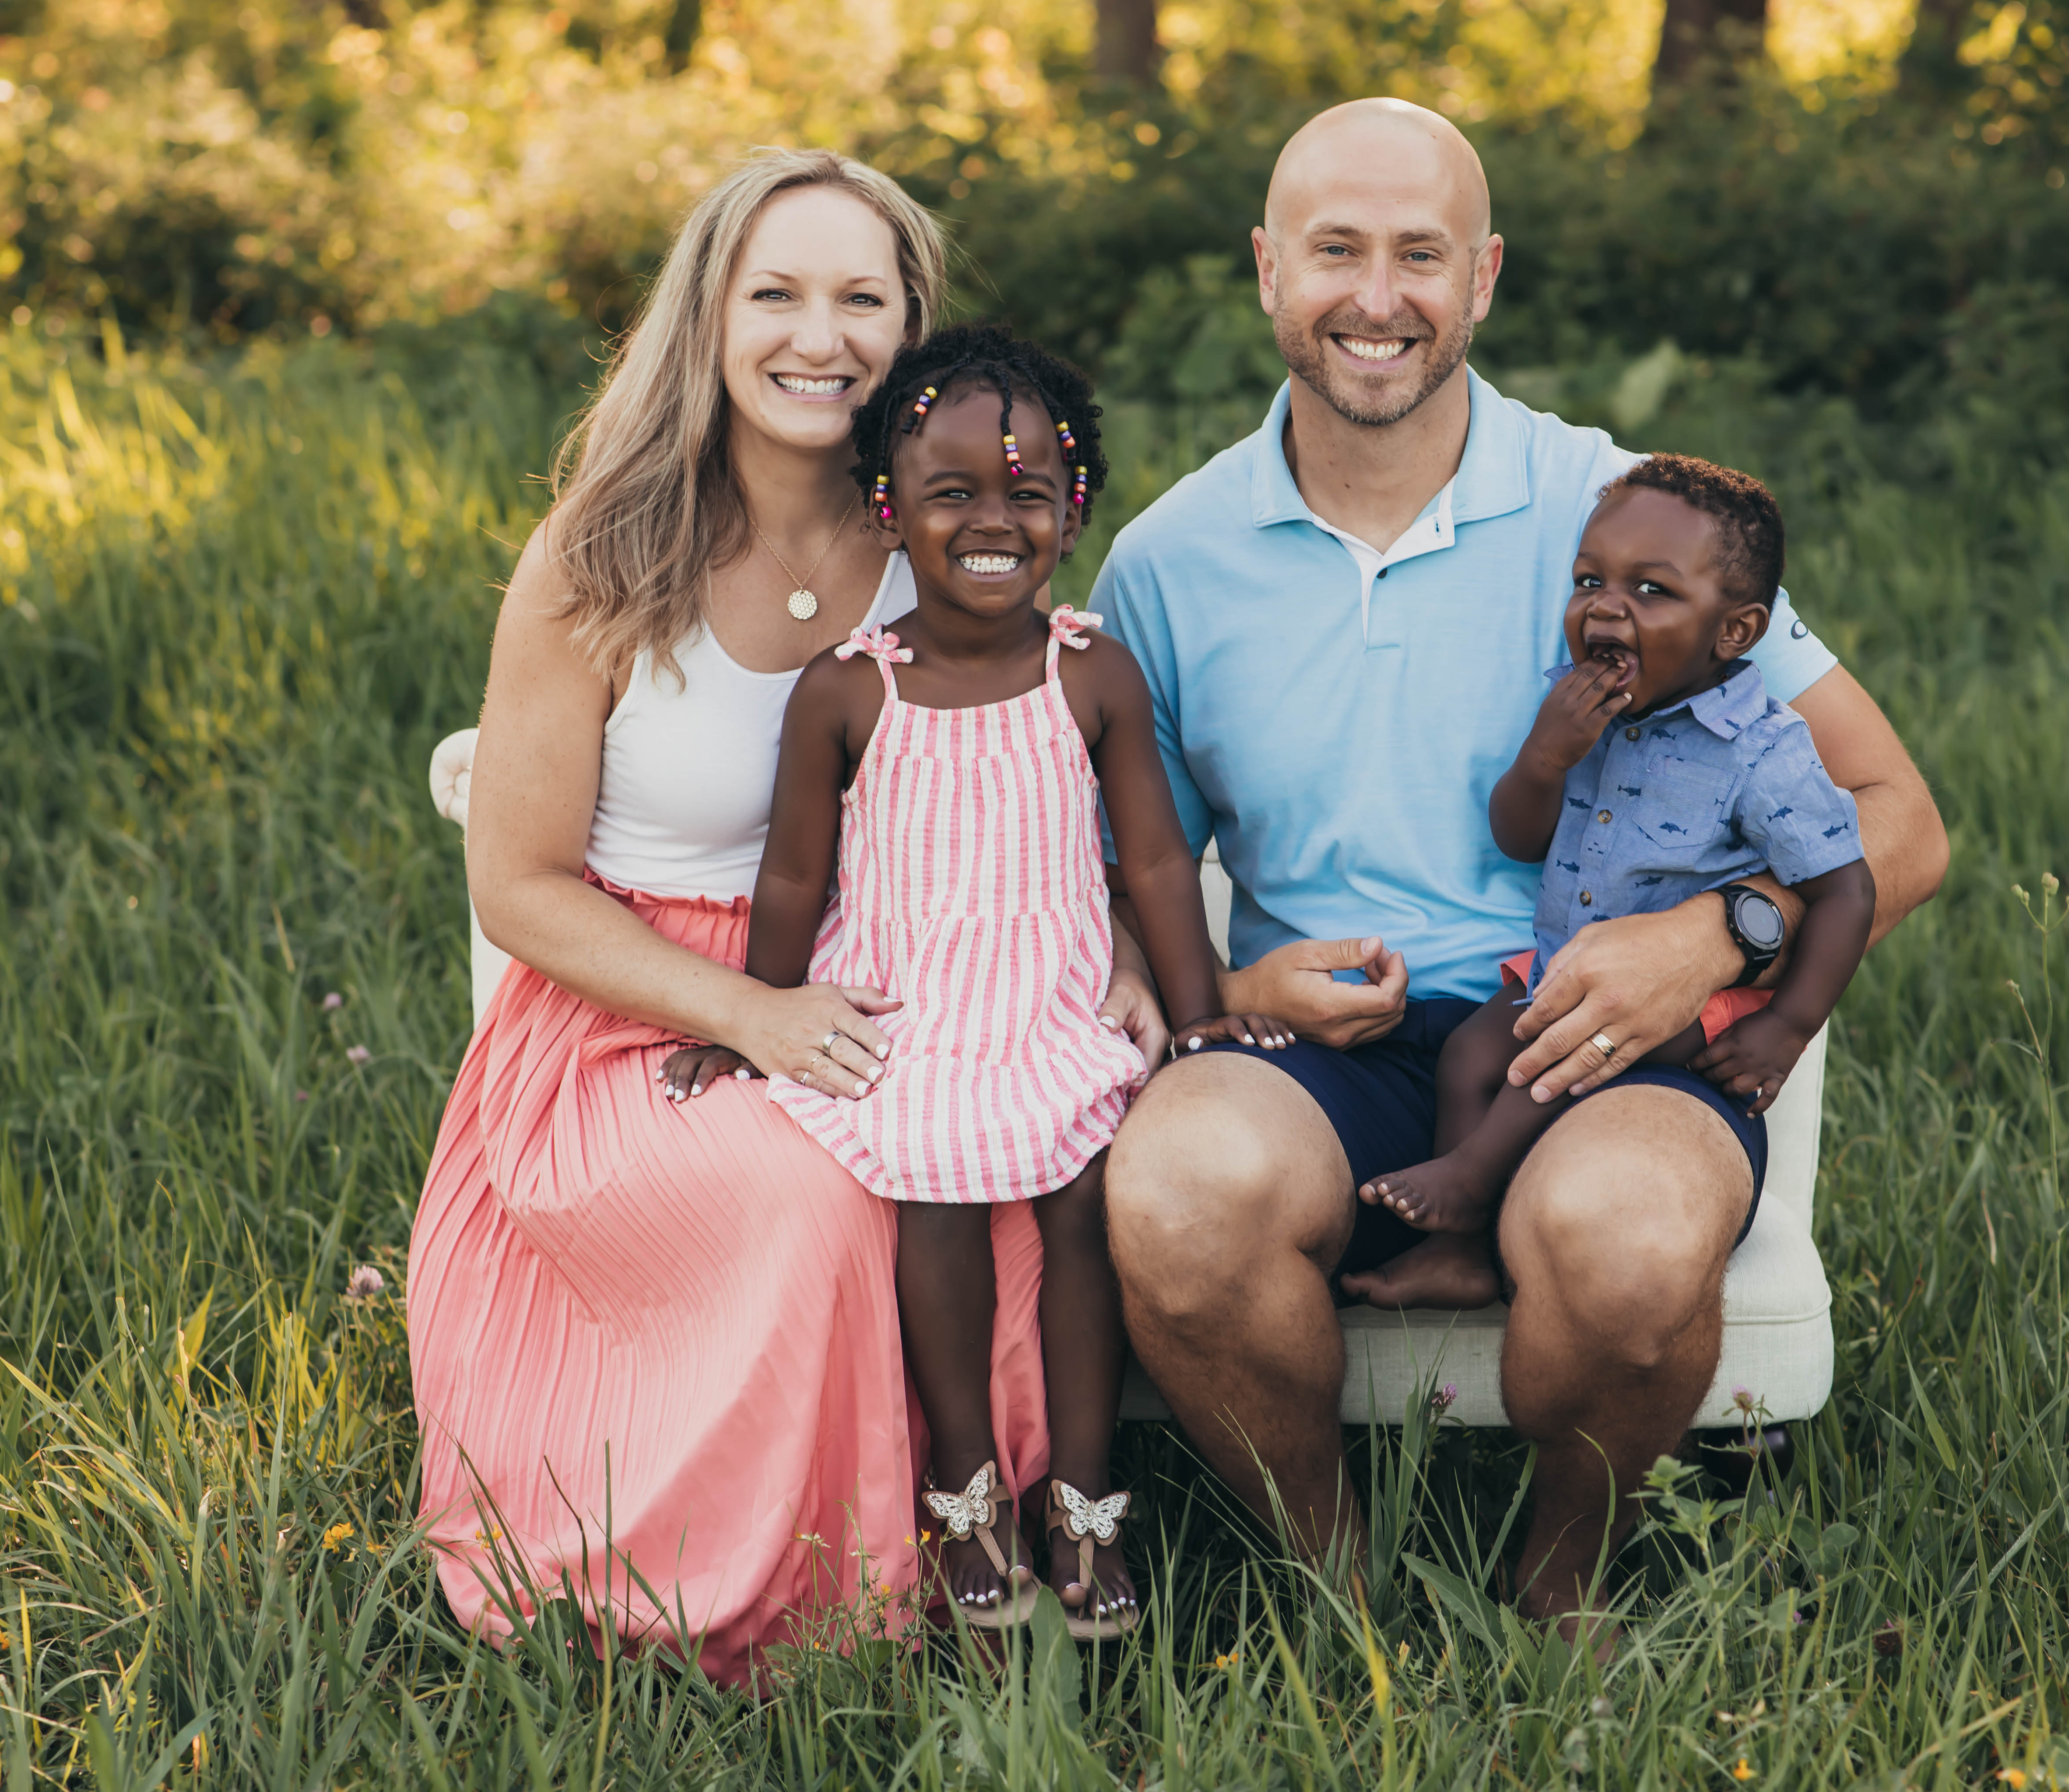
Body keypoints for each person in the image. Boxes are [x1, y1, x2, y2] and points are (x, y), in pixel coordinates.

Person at [1090, 99, 1950, 1629]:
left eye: (1419, 253)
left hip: (1603, 1031)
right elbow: (1086, 890)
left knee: (1623, 1246)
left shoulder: (1622, 517)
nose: (1377, 296)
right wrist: (1228, 980)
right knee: (1176, 1194)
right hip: (1319, 1044)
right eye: (1334, 251)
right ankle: (1334, 1590)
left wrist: (1716, 935)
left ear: (1481, 276)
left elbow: (1896, 811)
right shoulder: (1167, 559)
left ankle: (1555, 1579)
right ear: (1266, 270)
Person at [409, 151, 1125, 1684]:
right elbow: (517, 882)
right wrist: (746, 1012)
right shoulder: (600, 557)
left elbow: (1053, 780)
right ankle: (786, 1602)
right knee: (824, 1199)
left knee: (1013, 1169)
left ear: (911, 328)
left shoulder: (949, 530)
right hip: (638, 1023)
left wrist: (1117, 953)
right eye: (777, 292)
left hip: (916, 982)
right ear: (708, 316)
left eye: (862, 296)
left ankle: (1004, 1536)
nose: (822, 334)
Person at [663, 327, 1279, 1637]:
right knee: (932, 1216)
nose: (993, 521)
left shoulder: (1088, 667)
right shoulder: (849, 689)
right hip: (911, 1010)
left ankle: (1084, 1495)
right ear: (891, 509)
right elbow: (791, 880)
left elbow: (1158, 861)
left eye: (1029, 493)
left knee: (1080, 1215)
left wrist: (1204, 1003)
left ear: (1073, 508)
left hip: (1050, 1002)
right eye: (953, 494)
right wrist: (753, 1021)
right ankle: (958, 1487)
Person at [1352, 454, 1876, 1302]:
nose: (1605, 607)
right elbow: (1519, 839)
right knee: (1469, 1055)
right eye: (1590, 580)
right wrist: (1544, 757)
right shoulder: (1581, 709)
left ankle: (1468, 1177)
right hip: (1560, 966)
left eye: (1650, 592)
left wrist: (1786, 1027)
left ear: (1734, 632)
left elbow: (1846, 890)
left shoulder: (1761, 750)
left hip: (1683, 1003)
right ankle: (1466, 1252)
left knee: (1539, 1064)